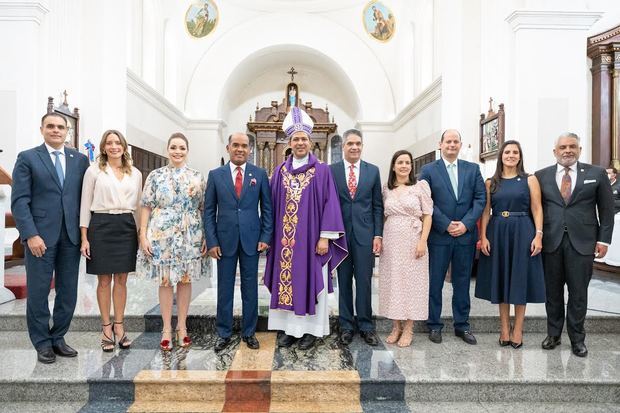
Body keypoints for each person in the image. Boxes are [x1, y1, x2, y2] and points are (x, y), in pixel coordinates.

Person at [264, 107, 348, 350]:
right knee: (286, 283)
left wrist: (325, 237)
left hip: (312, 241)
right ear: (289, 143)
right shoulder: (279, 172)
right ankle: (290, 330)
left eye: (304, 139)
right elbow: (270, 205)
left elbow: (330, 203)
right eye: (296, 139)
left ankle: (311, 331)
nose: (300, 142)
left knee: (310, 280)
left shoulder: (321, 170)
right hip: (285, 244)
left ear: (310, 142)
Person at [11, 113, 90, 363]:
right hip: (40, 238)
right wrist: (30, 234)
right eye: (51, 126)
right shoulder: (28, 158)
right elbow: (20, 201)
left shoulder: (79, 160)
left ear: (67, 131)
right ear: (42, 129)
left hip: (70, 235)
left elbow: (84, 199)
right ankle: (42, 342)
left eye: (60, 127)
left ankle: (58, 338)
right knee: (38, 291)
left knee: (68, 292)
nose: (56, 131)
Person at [535, 132, 614, 357]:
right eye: (563, 147)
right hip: (551, 242)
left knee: (579, 293)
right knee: (553, 292)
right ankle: (553, 334)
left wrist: (603, 239)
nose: (567, 150)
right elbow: (536, 210)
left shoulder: (596, 174)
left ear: (580, 149)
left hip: (583, 243)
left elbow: (607, 210)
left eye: (572, 146)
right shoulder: (541, 176)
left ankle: (577, 339)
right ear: (555, 151)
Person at [135, 133, 210, 351]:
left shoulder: (197, 177)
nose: (177, 151)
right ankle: (166, 327)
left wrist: (205, 235)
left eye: (182, 148)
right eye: (174, 147)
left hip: (190, 232)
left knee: (185, 279)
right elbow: (146, 206)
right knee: (166, 280)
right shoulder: (156, 176)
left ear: (187, 150)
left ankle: (182, 326)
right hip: (162, 233)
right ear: (167, 149)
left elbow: (204, 207)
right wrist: (143, 234)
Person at [204, 132, 273, 352]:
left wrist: (265, 236)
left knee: (250, 288)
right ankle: (223, 333)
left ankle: (249, 332)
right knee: (224, 289)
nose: (240, 149)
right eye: (236, 145)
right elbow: (208, 211)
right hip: (224, 241)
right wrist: (212, 241)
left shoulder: (259, 174)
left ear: (250, 149)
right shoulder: (216, 175)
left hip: (252, 240)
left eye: (244, 146)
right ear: (228, 148)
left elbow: (268, 210)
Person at [475, 140, 546, 349]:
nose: (511, 155)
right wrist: (484, 236)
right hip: (497, 231)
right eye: (507, 152)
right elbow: (485, 212)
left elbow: (537, 208)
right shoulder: (491, 182)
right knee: (502, 280)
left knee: (519, 279)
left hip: (523, 230)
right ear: (501, 156)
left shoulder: (530, 179)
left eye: (515, 152)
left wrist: (538, 235)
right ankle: (504, 328)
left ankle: (518, 329)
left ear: (520, 156)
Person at [419, 129, 486, 345]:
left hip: (465, 236)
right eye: (448, 141)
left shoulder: (472, 169)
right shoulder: (428, 170)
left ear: (460, 144)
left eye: (455, 141)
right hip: (439, 235)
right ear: (440, 144)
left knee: (462, 282)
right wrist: (446, 224)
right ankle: (434, 324)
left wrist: (466, 224)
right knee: (435, 281)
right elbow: (425, 201)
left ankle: (462, 325)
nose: (451, 145)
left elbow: (480, 199)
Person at [79, 130, 142, 352]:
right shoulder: (94, 171)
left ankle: (119, 326)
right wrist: (84, 237)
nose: (114, 146)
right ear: (104, 147)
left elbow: (139, 206)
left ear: (124, 147)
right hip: (101, 225)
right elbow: (85, 204)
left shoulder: (135, 173)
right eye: (109, 143)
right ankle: (106, 327)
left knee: (122, 280)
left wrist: (140, 234)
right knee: (104, 280)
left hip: (126, 226)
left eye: (118, 142)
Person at [329, 129, 383, 346]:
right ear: (343, 146)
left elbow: (377, 205)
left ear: (362, 146)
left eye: (358, 143)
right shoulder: (331, 171)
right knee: (343, 282)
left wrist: (378, 234)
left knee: (364, 281)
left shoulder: (373, 171)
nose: (354, 147)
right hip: (340, 236)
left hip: (365, 235)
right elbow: (327, 205)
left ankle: (366, 325)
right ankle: (346, 326)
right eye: (350, 143)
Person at [379, 150, 433, 347]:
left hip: (413, 239)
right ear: (393, 166)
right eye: (400, 162)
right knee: (394, 282)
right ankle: (396, 326)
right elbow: (383, 216)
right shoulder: (386, 189)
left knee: (412, 284)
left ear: (412, 166)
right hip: (392, 240)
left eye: (407, 163)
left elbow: (427, 215)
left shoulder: (420, 187)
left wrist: (423, 241)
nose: (404, 166)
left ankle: (409, 328)